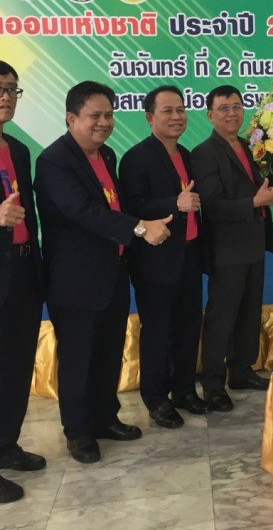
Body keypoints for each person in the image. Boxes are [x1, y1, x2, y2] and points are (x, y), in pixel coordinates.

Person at [34, 81, 172, 463]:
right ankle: (78, 432)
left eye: (109, 115)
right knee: (78, 358)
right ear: (71, 117)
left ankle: (105, 419)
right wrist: (141, 228)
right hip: (75, 279)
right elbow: (83, 212)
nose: (104, 123)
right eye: (94, 115)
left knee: (109, 353)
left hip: (113, 273)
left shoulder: (107, 154)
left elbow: (115, 204)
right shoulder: (54, 161)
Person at [119, 86, 210, 429]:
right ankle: (156, 399)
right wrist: (175, 203)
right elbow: (132, 206)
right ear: (149, 117)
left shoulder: (186, 154)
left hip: (189, 254)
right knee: (157, 331)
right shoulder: (136, 158)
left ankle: (184, 390)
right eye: (168, 111)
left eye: (181, 110)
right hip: (155, 260)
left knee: (188, 325)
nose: (177, 117)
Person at [191, 85, 273, 412]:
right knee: (222, 317)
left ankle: (241, 371)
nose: (232, 113)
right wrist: (254, 202)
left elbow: (264, 186)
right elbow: (212, 206)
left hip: (255, 243)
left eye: (237, 107)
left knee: (249, 313)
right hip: (227, 249)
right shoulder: (204, 153)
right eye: (224, 108)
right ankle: (213, 384)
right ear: (210, 115)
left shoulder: (251, 145)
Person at [0, 62, 46, 504]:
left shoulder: (18, 149)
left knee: (15, 367)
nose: (6, 96)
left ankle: (6, 445)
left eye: (12, 89)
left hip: (22, 270)